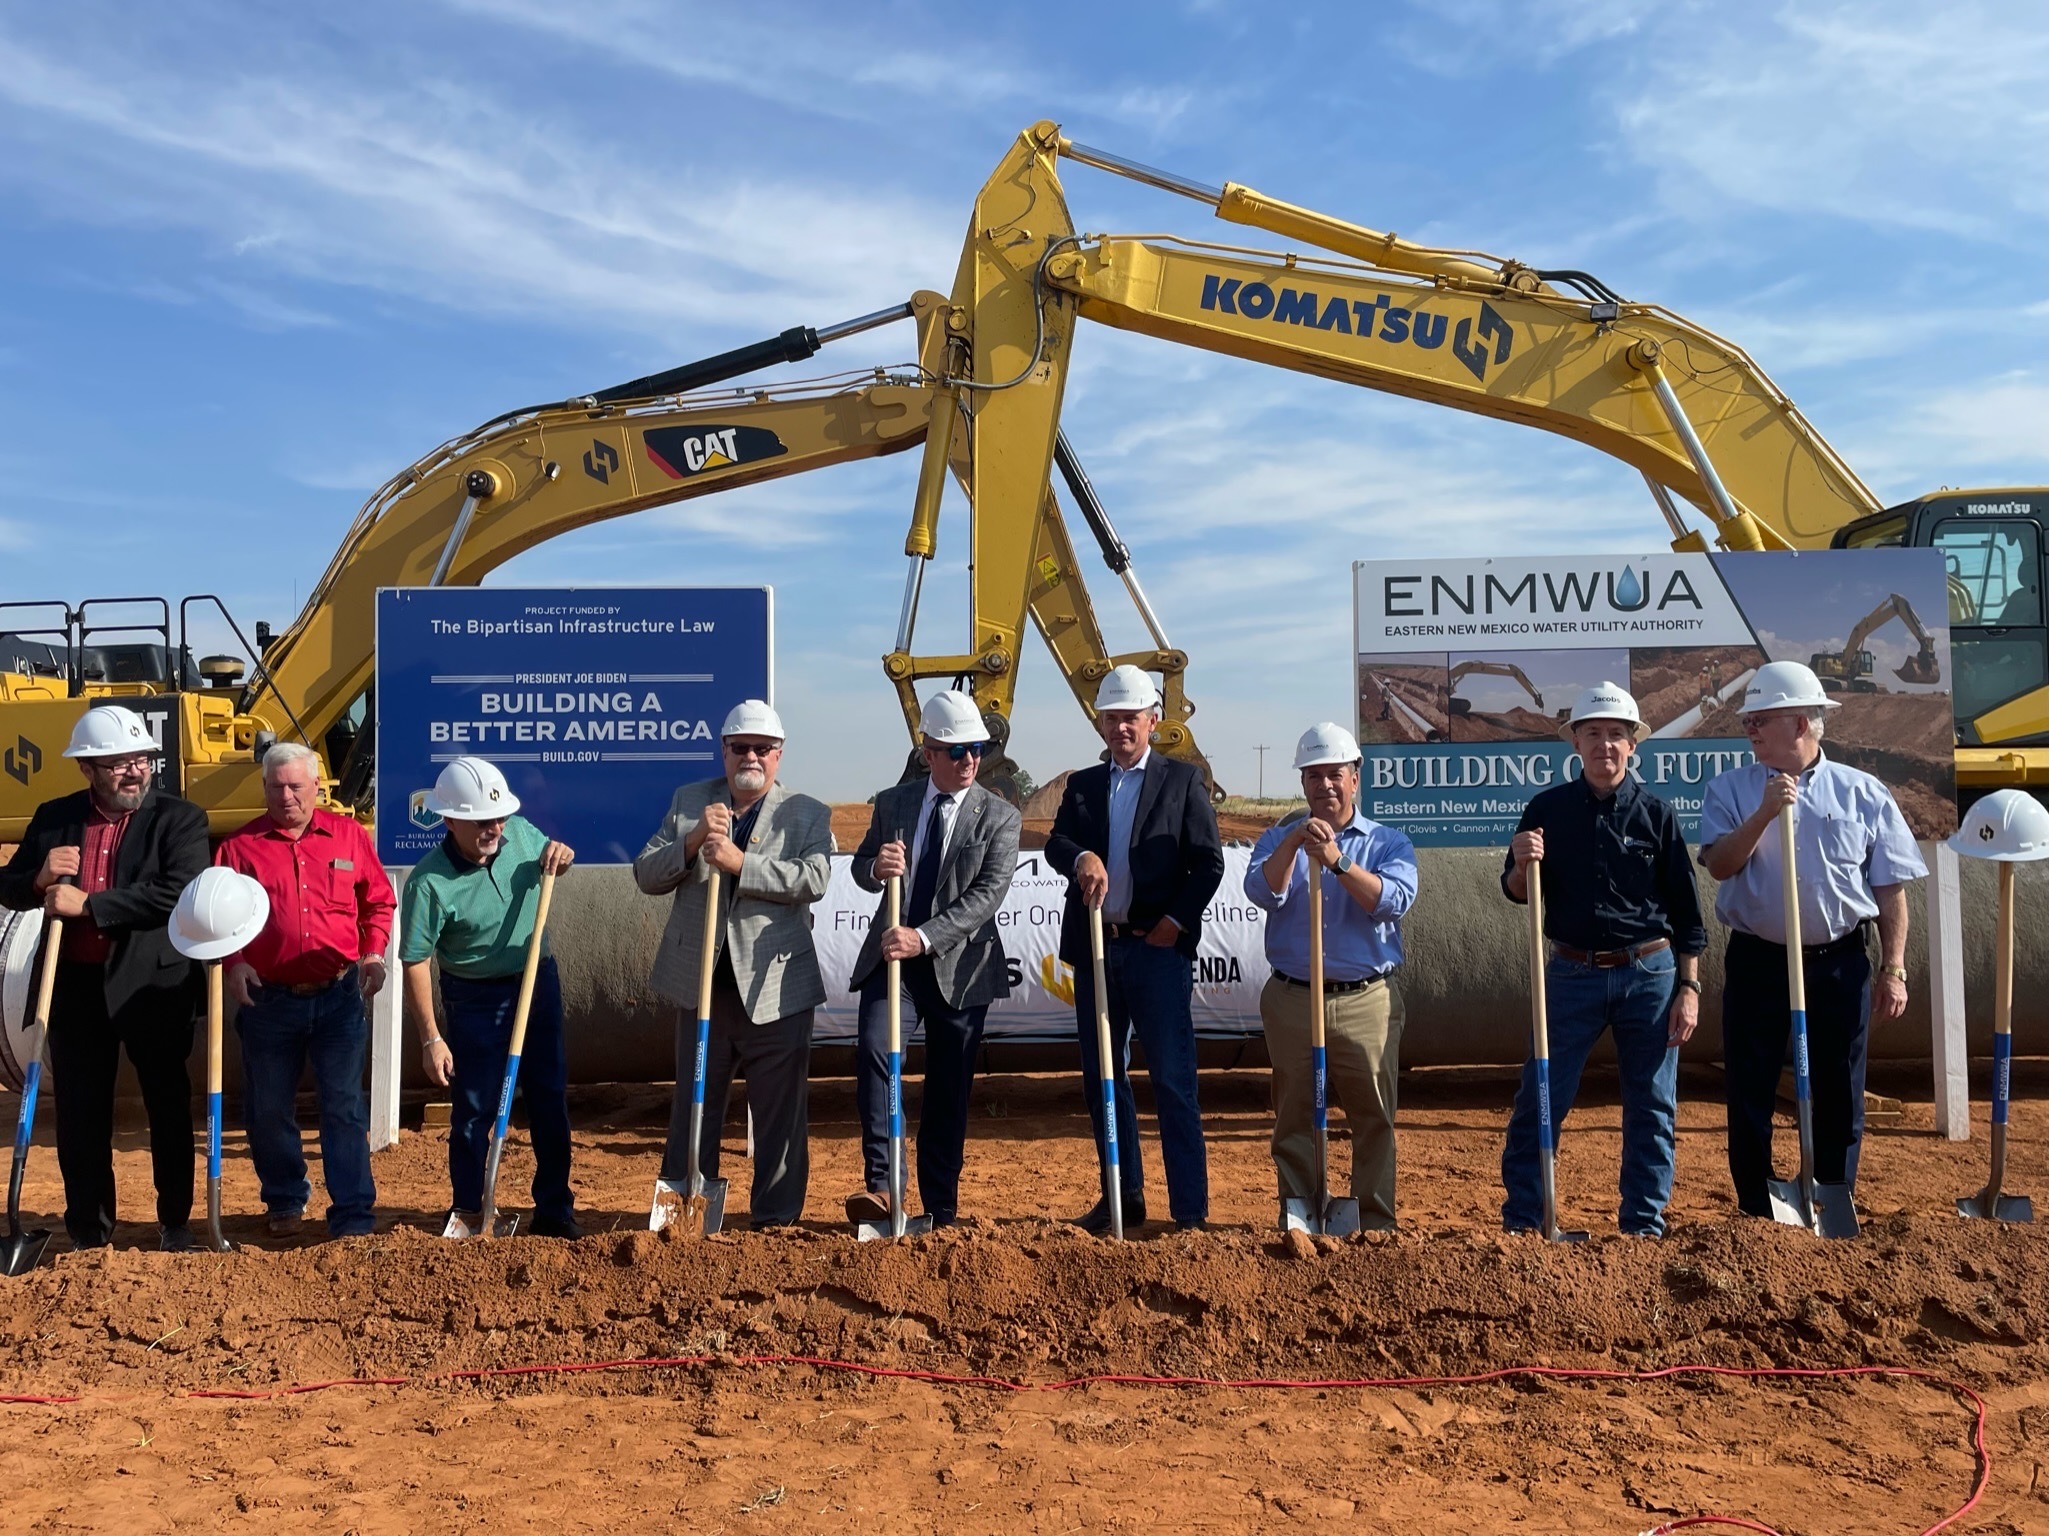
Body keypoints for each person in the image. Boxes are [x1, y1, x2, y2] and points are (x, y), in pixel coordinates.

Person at [1699, 661, 1925, 1217]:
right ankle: (1757, 1205)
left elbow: (1889, 888)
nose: (1749, 728)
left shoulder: (1863, 793)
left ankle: (1830, 1196)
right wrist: (1765, 813)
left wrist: (1892, 966)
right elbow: (1721, 866)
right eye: (1749, 720)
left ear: (1800, 723)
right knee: (1749, 1087)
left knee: (1839, 1089)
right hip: (1758, 962)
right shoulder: (1728, 789)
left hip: (1838, 964)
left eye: (1761, 719)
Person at [1500, 682, 1706, 1237]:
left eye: (1617, 735)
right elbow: (1518, 892)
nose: (1605, 745)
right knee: (1541, 1096)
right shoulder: (1545, 811)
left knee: (1652, 1108)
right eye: (1594, 734)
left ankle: (1643, 1227)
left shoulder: (1658, 816)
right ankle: (1525, 1224)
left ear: (1634, 745)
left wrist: (1689, 988)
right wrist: (1522, 863)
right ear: (1576, 742)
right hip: (1569, 974)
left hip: (1650, 975)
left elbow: (1688, 915)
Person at [0, 704, 209, 1250]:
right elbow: (10, 884)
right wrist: (40, 877)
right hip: (73, 989)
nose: (136, 772)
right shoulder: (54, 818)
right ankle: (89, 1232)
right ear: (87, 768)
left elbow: (177, 892)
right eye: (119, 764)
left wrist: (91, 904)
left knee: (166, 1106)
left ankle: (175, 1223)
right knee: (80, 1114)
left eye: (141, 760)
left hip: (151, 986)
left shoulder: (179, 818)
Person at [635, 700, 832, 1228]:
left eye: (762, 749)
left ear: (778, 755)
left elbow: (812, 879)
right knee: (693, 1110)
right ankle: (683, 1217)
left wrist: (743, 864)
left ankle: (775, 1219)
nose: (751, 757)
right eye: (740, 747)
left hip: (775, 989)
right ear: (723, 752)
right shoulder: (690, 802)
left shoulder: (808, 811)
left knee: (780, 1117)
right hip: (702, 992)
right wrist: (695, 839)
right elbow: (646, 874)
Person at [1045, 664, 1225, 1233]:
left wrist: (1175, 920)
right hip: (1099, 950)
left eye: (1132, 718)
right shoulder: (1084, 785)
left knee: (1173, 1080)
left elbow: (1208, 863)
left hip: (1156, 952)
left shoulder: (1182, 781)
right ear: (1100, 723)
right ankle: (1122, 1198)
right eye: (1112, 718)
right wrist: (1081, 858)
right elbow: (1057, 842)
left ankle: (1189, 1212)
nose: (1122, 727)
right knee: (1105, 1078)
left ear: (1153, 720)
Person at [844, 691, 1021, 1227]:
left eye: (977, 750)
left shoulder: (1000, 817)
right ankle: (882, 1185)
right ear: (928, 752)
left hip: (958, 968)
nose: (970, 760)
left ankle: (940, 1204)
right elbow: (857, 868)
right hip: (893, 964)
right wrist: (875, 867)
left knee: (948, 1086)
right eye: (958, 750)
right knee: (877, 1053)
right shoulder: (893, 803)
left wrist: (923, 938)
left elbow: (986, 896)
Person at [213, 741, 395, 1239]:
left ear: (317, 786)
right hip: (268, 1003)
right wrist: (234, 963)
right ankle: (285, 1198)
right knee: (269, 1107)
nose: (287, 795)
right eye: (276, 787)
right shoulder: (237, 848)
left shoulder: (348, 836)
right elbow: (215, 918)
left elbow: (378, 901)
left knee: (343, 1106)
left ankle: (354, 1213)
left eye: (296, 786)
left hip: (338, 998)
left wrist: (373, 953)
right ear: (264, 788)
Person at [1245, 722, 1418, 1229]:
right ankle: (1299, 1213)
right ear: (1303, 783)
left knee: (1373, 1116)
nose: (1325, 785)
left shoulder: (1389, 843)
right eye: (1314, 776)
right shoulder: (1277, 839)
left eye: (1335, 774)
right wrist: (1296, 845)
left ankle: (1374, 1219)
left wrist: (1337, 862)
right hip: (1292, 1000)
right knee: (1294, 1115)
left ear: (1356, 777)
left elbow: (1390, 901)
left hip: (1366, 1002)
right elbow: (1262, 892)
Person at [398, 758, 579, 1237]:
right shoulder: (429, 881)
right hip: (472, 996)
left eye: (497, 818)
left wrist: (561, 855)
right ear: (450, 819)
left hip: (534, 980)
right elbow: (415, 960)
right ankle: (471, 1209)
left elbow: (556, 857)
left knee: (548, 1096)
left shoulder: (520, 833)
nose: (494, 828)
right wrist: (431, 1038)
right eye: (481, 821)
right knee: (475, 1107)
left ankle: (556, 1210)